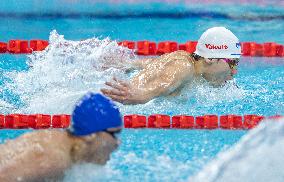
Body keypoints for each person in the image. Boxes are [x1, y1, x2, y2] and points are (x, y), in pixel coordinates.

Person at [101, 27, 241, 105]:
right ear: (210, 58)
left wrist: (130, 64)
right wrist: (142, 95)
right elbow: (162, 83)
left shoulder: (183, 60)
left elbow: (155, 64)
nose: (234, 72)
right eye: (232, 63)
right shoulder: (184, 67)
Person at [0, 93, 122, 182]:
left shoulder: (63, 146)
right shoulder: (55, 159)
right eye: (114, 134)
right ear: (91, 135)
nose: (118, 142)